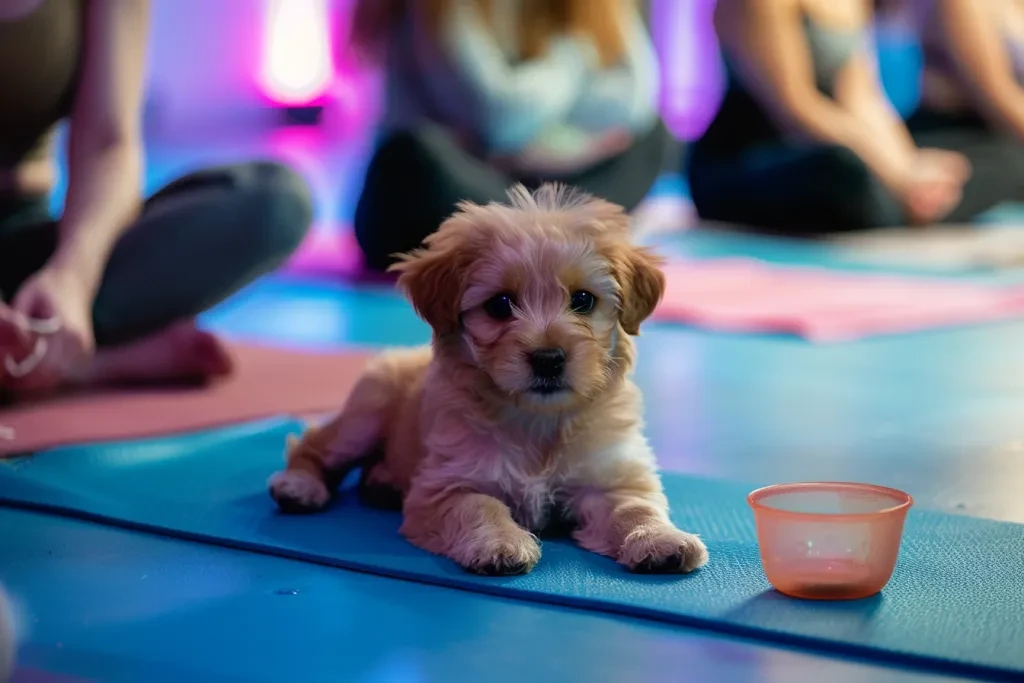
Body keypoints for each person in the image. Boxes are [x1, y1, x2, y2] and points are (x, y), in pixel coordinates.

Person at [0, 0, 313, 399]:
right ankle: (88, 364)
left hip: (25, 248)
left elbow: (109, 145)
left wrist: (72, 277)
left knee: (275, 200)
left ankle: (38, 343)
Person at [349, 0, 672, 270]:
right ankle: (558, 229)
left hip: (533, 169)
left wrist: (557, 151)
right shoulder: (441, 7)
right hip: (458, 177)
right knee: (416, 157)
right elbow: (496, 117)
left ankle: (537, 228)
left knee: (650, 136)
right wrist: (571, 56)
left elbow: (633, 101)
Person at [683, 0, 1009, 237]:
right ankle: (909, 205)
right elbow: (797, 108)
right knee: (845, 172)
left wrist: (907, 166)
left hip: (836, 143)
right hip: (752, 153)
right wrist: (896, 177)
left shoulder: (851, 5)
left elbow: (864, 100)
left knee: (993, 160)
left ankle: (910, 202)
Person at [904, 0, 1024, 196]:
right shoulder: (965, 4)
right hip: (954, 135)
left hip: (1000, 137)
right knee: (1016, 164)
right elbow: (998, 96)